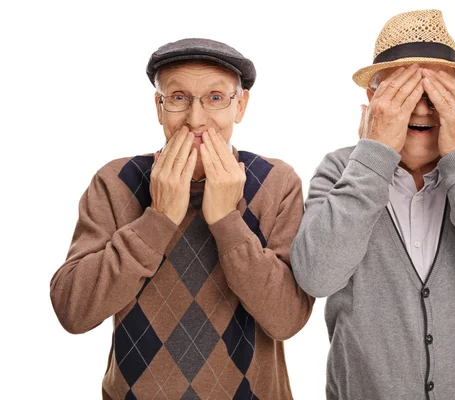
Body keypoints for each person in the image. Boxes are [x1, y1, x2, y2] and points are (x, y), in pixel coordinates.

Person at [290, 9, 455, 400]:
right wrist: (373, 154)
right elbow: (316, 276)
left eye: (438, 93)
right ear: (374, 98)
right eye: (404, 93)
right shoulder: (342, 168)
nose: (423, 108)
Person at [50, 38, 313, 399]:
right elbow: (72, 310)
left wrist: (226, 220)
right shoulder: (116, 181)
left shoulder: (276, 182)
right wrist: (157, 218)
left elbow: (287, 318)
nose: (196, 118)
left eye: (216, 97)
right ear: (159, 108)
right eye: (178, 98)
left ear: (241, 106)